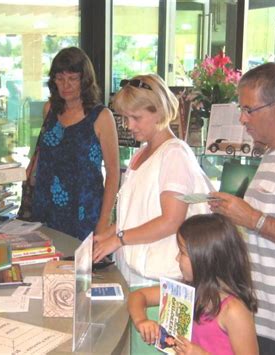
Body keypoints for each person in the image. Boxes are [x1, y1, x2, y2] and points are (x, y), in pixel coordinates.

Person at [93, 74, 212, 354]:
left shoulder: (174, 155)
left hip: (161, 282)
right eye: (125, 118)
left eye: (135, 118)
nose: (128, 126)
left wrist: (119, 239)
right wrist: (102, 239)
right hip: (136, 277)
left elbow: (171, 220)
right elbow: (132, 215)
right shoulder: (143, 153)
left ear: (158, 112)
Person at [208, 62, 275, 355]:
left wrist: (252, 218)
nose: (242, 119)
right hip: (259, 316)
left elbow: (261, 222)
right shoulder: (272, 155)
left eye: (249, 110)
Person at [129, 214, 259, 355]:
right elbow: (138, 295)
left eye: (183, 252)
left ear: (205, 259)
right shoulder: (188, 290)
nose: (177, 257)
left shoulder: (234, 311)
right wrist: (141, 320)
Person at [31, 46, 120, 240]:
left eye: (72, 78)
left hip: (84, 210)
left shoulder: (102, 116)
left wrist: (104, 221)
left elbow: (113, 173)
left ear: (85, 80)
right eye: (60, 78)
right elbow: (41, 154)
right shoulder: (49, 110)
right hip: (46, 207)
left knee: (81, 267)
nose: (66, 85)